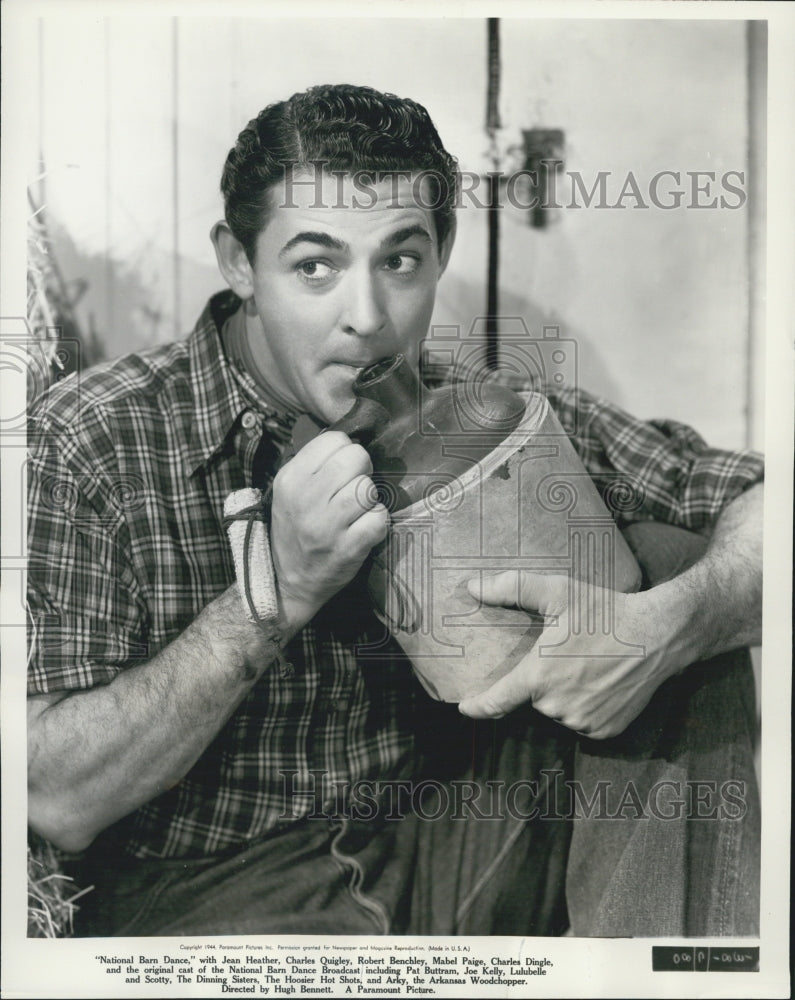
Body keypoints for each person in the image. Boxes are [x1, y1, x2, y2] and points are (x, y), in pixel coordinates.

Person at [26, 83, 763, 938]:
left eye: (399, 261)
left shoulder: (477, 413)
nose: (368, 319)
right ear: (239, 263)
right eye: (315, 267)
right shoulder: (88, 438)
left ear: (442, 251)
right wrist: (275, 593)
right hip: (217, 893)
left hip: (450, 839)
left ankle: (654, 981)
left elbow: (755, 502)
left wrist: (669, 628)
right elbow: (54, 798)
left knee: (676, 567)